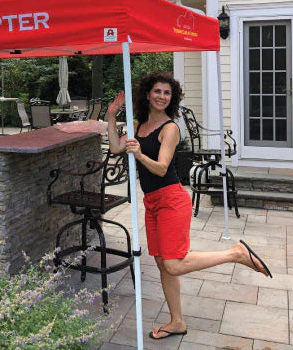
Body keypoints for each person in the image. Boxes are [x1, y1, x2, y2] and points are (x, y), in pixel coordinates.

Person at [106, 71, 272, 340]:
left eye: (167, 93)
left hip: (171, 200)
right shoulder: (137, 126)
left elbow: (161, 168)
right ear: (148, 93)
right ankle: (177, 322)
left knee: (173, 264)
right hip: (152, 203)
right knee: (162, 264)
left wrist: (138, 154)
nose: (162, 96)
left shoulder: (170, 128)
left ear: (172, 98)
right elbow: (114, 147)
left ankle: (235, 254)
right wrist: (113, 115)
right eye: (157, 91)